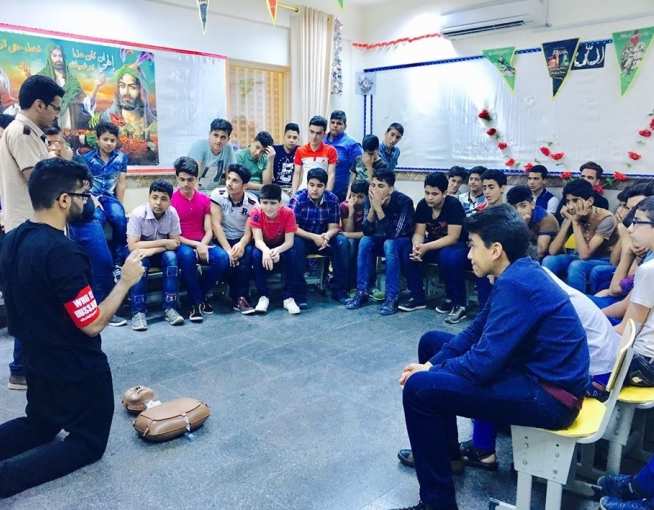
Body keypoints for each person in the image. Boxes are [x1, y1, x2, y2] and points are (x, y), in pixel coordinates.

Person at [391, 205, 589, 510]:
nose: (469, 255)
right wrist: (431, 364)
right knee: (432, 342)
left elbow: (482, 364)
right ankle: (448, 456)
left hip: (551, 398)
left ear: (495, 250)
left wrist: (427, 375)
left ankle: (437, 504)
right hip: (533, 376)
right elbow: (474, 333)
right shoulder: (518, 271)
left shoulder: (517, 284)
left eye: (472, 246)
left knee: (419, 391)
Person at [0, 158, 144, 498]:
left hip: (36, 361)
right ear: (63, 200)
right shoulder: (63, 252)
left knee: (41, 424)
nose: (88, 201)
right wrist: (124, 282)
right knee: (87, 444)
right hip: (76, 369)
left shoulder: (12, 240)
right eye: (83, 193)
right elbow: (92, 323)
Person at [0, 75, 64, 391]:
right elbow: (38, 180)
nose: (56, 114)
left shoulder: (29, 132)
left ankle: (25, 367)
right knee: (32, 303)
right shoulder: (23, 132)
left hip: (30, 229)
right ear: (39, 104)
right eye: (54, 108)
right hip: (29, 231)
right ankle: (22, 369)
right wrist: (64, 171)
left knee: (34, 301)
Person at [345, 170, 414, 316]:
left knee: (389, 244)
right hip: (382, 240)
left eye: (381, 186)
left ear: (391, 188)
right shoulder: (371, 199)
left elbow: (394, 234)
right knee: (365, 241)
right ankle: (362, 292)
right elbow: (366, 230)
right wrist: (372, 210)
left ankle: (391, 297)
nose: (375, 189)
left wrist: (379, 209)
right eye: (373, 185)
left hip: (402, 243)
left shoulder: (404, 202)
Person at [402, 172, 468, 323]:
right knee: (408, 252)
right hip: (433, 244)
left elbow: (453, 237)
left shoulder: (453, 205)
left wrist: (426, 246)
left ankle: (458, 302)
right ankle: (417, 297)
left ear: (444, 193)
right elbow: (419, 232)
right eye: (427, 193)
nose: (429, 197)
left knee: (448, 257)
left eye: (434, 194)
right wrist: (417, 247)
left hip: (456, 246)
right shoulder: (423, 205)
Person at [171, 157, 229, 322]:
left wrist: (203, 244)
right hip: (183, 244)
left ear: (196, 179)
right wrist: (197, 246)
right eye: (182, 179)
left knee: (222, 258)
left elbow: (209, 229)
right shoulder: (172, 201)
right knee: (188, 257)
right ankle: (197, 303)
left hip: (203, 241)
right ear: (177, 178)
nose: (186, 184)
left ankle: (198, 296)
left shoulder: (204, 199)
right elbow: (174, 235)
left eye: (190, 180)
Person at [126, 179, 185, 331]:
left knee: (171, 257)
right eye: (154, 197)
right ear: (149, 197)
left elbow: (175, 243)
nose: (158, 203)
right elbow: (133, 245)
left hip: (158, 254)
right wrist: (165, 243)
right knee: (139, 261)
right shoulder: (138, 214)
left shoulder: (172, 213)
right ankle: (138, 312)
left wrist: (152, 249)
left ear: (170, 201)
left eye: (164, 199)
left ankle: (170, 308)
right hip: (140, 254)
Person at [543, 178, 618, 293]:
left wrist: (576, 223)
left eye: (575, 200)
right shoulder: (572, 215)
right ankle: (549, 299)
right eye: (568, 201)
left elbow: (584, 255)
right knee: (549, 260)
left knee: (576, 266)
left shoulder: (606, 218)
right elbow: (553, 251)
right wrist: (568, 221)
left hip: (603, 259)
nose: (571, 206)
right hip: (578, 256)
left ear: (590, 201)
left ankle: (578, 305)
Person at [290, 167, 349, 305]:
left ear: (324, 186)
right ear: (307, 184)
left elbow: (334, 227)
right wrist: (313, 237)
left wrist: (327, 236)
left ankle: (339, 290)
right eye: (311, 185)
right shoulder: (298, 199)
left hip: (323, 239)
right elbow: (292, 228)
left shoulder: (332, 199)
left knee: (342, 242)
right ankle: (299, 294)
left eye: (319, 186)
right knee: (295, 244)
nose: (315, 189)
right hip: (304, 238)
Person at [616, 196, 654, 387]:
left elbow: (628, 330)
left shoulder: (650, 270)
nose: (630, 229)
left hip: (644, 363)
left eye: (638, 222)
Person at [211, 164, 259, 314]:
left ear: (244, 185)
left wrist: (242, 245)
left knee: (246, 256)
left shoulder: (253, 203)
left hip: (241, 238)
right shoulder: (218, 194)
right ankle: (234, 295)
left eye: (235, 181)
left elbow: (248, 231)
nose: (229, 183)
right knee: (227, 259)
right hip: (221, 238)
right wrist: (228, 250)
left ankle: (240, 298)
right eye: (228, 178)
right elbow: (216, 225)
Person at [80, 121, 129, 268]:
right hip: (92, 197)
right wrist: (88, 201)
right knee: (97, 219)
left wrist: (120, 204)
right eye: (105, 139)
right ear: (98, 139)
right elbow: (84, 184)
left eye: (112, 140)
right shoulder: (87, 158)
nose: (109, 143)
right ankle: (98, 259)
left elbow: (121, 183)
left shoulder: (121, 158)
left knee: (119, 217)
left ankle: (118, 259)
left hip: (109, 197)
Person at [249, 184, 301, 315]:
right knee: (255, 255)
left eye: (273, 203)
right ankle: (263, 296)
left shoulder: (288, 213)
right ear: (260, 202)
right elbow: (258, 240)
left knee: (292, 254)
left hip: (282, 245)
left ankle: (288, 297)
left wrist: (277, 251)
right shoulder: (256, 213)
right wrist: (266, 251)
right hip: (263, 246)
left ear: (280, 203)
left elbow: (289, 242)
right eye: (265, 203)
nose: (268, 207)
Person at [506, 185, 559, 259]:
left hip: (549, 260)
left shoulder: (546, 219)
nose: (519, 211)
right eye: (514, 208)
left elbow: (540, 252)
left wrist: (523, 227)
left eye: (523, 206)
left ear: (532, 204)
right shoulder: (510, 217)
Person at [292, 115, 337, 196]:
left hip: (321, 191)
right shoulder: (300, 150)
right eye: (311, 132)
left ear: (324, 134)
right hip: (303, 190)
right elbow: (296, 174)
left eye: (318, 133)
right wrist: (293, 194)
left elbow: (331, 174)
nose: (314, 136)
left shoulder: (331, 150)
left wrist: (327, 193)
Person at [325, 110, 363, 201]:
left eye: (339, 123)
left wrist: (350, 195)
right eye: (332, 122)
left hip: (342, 194)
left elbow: (358, 172)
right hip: (319, 191)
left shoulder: (352, 145)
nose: (335, 125)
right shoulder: (321, 140)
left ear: (345, 126)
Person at [189, 118, 236, 189]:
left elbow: (231, 175)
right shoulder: (199, 146)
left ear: (228, 139)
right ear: (209, 134)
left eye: (223, 137)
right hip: (195, 191)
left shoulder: (228, 149)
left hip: (213, 192)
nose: (218, 140)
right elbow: (191, 176)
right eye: (215, 135)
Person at [341, 179, 369, 291]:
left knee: (364, 242)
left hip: (366, 238)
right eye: (353, 196)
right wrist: (351, 212)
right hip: (351, 238)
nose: (356, 200)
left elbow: (368, 233)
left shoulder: (370, 207)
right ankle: (347, 282)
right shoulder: (344, 206)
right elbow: (348, 230)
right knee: (350, 244)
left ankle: (362, 284)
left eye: (360, 197)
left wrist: (347, 234)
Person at [264, 122, 299, 190]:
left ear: (298, 139)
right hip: (276, 189)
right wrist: (270, 159)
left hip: (293, 189)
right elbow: (267, 182)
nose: (291, 140)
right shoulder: (274, 150)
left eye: (294, 138)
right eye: (289, 137)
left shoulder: (300, 151)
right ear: (284, 137)